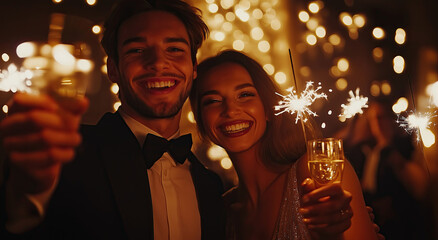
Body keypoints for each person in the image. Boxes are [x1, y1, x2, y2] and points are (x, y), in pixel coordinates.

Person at [0, 0, 225, 239]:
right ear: (114, 69)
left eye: (175, 49)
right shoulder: (65, 153)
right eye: (137, 50)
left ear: (194, 67)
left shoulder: (211, 186)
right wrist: (30, 188)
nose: (158, 63)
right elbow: (18, 221)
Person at [189, 50, 380, 240]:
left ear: (269, 109)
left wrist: (337, 234)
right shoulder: (221, 213)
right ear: (201, 119)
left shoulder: (316, 173)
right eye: (212, 101)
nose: (230, 110)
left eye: (245, 94)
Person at [341, 99, 432, 240]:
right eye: (372, 119)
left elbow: (420, 188)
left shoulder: (404, 147)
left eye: (382, 118)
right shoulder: (359, 152)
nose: (377, 124)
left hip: (402, 227)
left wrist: (387, 146)